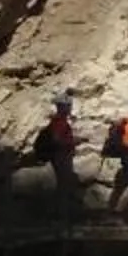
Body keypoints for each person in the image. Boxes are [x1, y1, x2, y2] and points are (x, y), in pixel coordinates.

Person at [28, 89, 83, 217]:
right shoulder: (60, 122)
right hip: (61, 156)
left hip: (60, 155)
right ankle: (61, 217)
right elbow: (57, 139)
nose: (70, 108)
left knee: (63, 185)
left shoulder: (57, 121)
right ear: (63, 107)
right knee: (64, 185)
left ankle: (61, 216)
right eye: (69, 106)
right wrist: (74, 142)